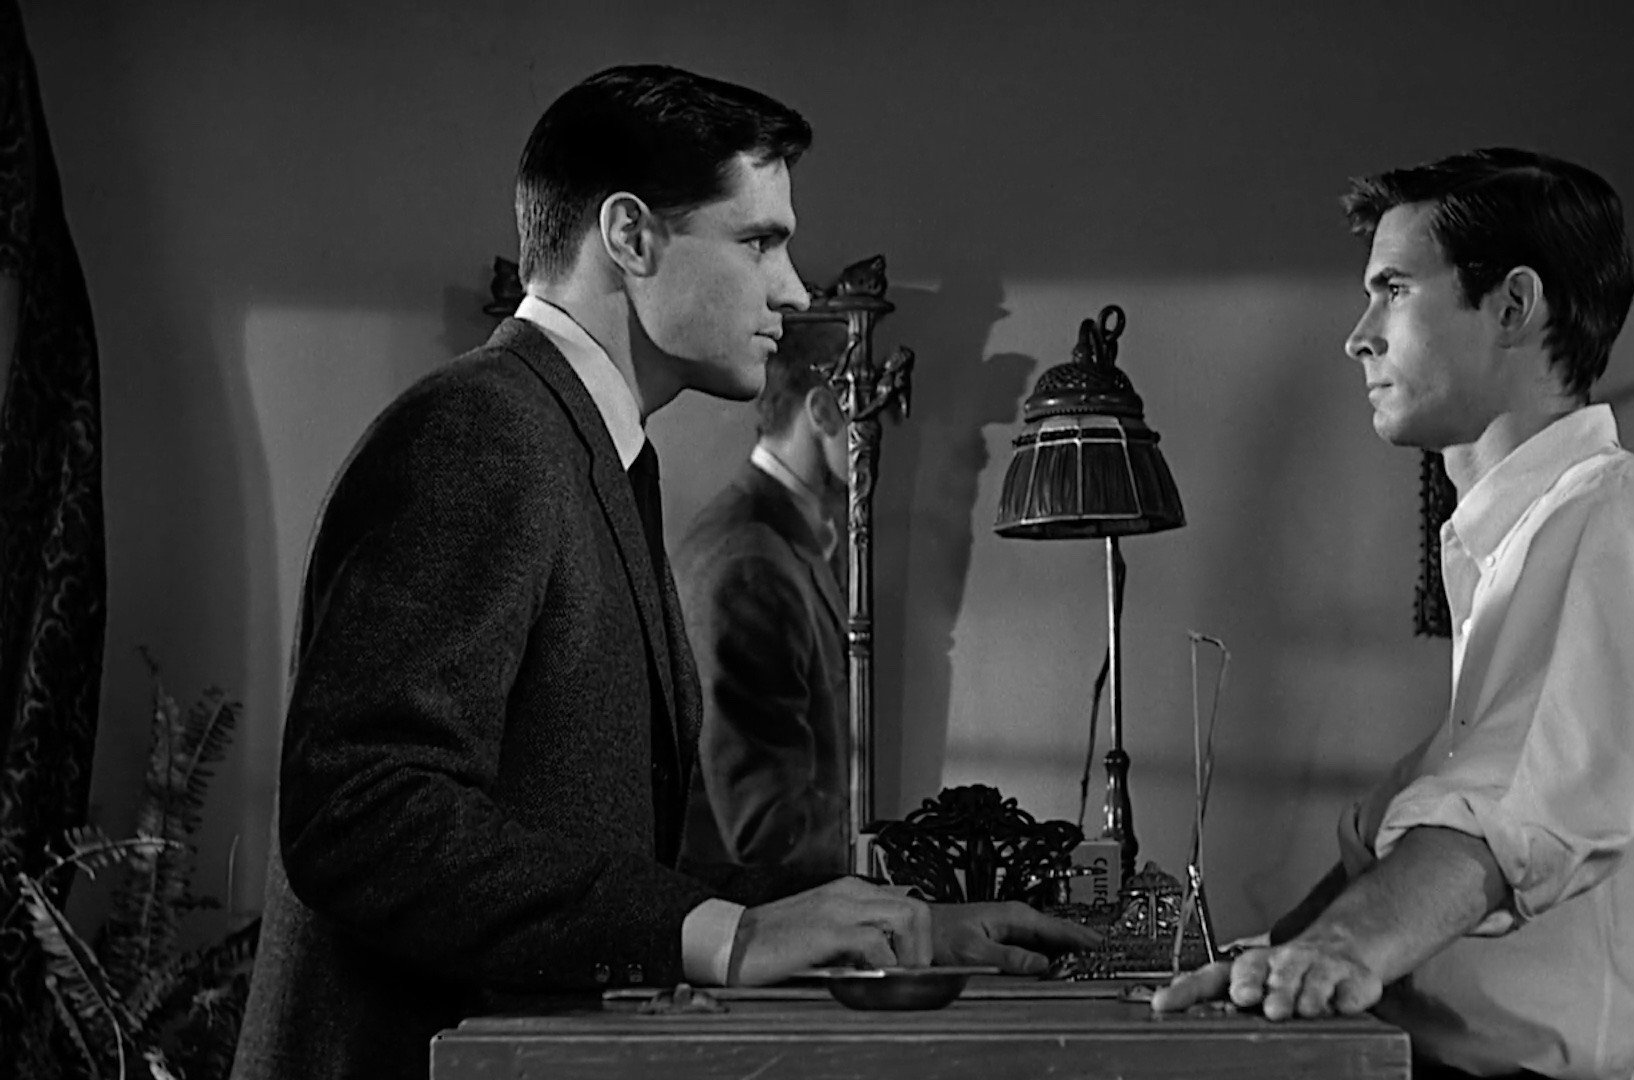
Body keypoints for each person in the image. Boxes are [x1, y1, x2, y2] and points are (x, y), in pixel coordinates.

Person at [232, 64, 1097, 1080]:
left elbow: (599, 866)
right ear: (631, 237)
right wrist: (731, 935)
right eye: (758, 241)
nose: (793, 290)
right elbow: (362, 818)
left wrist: (892, 927)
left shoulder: (584, 448)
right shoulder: (479, 434)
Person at [1153, 148, 1634, 1080]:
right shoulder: (1527, 544)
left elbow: (1512, 803)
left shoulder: (1613, 515)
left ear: (1514, 306)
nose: (1359, 337)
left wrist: (1342, 948)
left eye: (1395, 290)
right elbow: (1412, 822)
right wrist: (1274, 957)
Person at [678, 339, 853, 876]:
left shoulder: (777, 538)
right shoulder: (752, 561)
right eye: (867, 419)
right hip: (759, 911)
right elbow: (765, 828)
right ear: (822, 411)